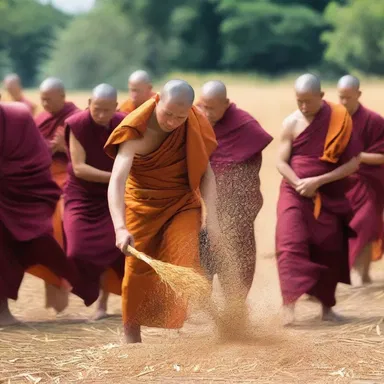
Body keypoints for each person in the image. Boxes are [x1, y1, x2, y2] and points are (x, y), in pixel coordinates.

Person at [105, 79, 218, 343]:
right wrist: (120, 227)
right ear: (157, 100)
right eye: (167, 114)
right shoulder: (136, 128)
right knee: (136, 269)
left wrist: (211, 219)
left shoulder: (193, 122)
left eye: (180, 116)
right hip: (142, 204)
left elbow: (207, 174)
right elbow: (117, 180)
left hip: (182, 203)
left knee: (184, 254)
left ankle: (177, 317)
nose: (172, 122)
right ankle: (131, 333)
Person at [276, 73, 377, 326]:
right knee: (290, 245)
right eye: (299, 101)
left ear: (321, 97)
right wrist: (299, 182)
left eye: (308, 101)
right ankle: (288, 306)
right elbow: (280, 161)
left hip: (329, 192)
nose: (303, 107)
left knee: (329, 248)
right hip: (293, 192)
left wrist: (318, 182)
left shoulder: (339, 121)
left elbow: (353, 164)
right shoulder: (291, 122)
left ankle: (326, 308)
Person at [197, 80, 273, 300]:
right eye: (203, 106)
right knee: (202, 256)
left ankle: (235, 308)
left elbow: (250, 171)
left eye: (211, 107)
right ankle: (203, 307)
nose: (206, 112)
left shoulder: (244, 125)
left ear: (226, 104)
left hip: (235, 208)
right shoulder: (195, 121)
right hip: (201, 206)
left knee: (237, 257)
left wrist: (234, 202)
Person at [0, 101, 73, 326]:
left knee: (10, 253)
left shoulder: (16, 117)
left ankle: (2, 311)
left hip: (13, 197)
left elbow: (38, 157)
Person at [63, 84, 126, 320]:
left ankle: (103, 304)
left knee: (117, 249)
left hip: (114, 197)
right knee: (77, 250)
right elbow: (79, 168)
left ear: (116, 108)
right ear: (89, 103)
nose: (100, 115)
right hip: (82, 195)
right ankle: (87, 293)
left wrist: (120, 184)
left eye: (106, 111)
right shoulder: (77, 124)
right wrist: (117, 179)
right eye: (96, 109)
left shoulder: (124, 122)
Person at [338, 75, 384, 284]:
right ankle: (350, 274)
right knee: (338, 228)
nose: (344, 102)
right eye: (341, 97)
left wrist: (356, 157)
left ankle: (360, 274)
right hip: (339, 184)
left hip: (369, 185)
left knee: (364, 224)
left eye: (348, 97)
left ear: (358, 94)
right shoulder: (331, 120)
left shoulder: (375, 121)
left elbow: (382, 157)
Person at [35, 77, 79, 248]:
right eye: (42, 99)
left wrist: (65, 148)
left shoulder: (76, 118)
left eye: (49, 100)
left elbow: (90, 154)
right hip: (41, 175)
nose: (45, 104)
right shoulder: (40, 118)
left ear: (62, 96)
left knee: (58, 210)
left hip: (66, 175)